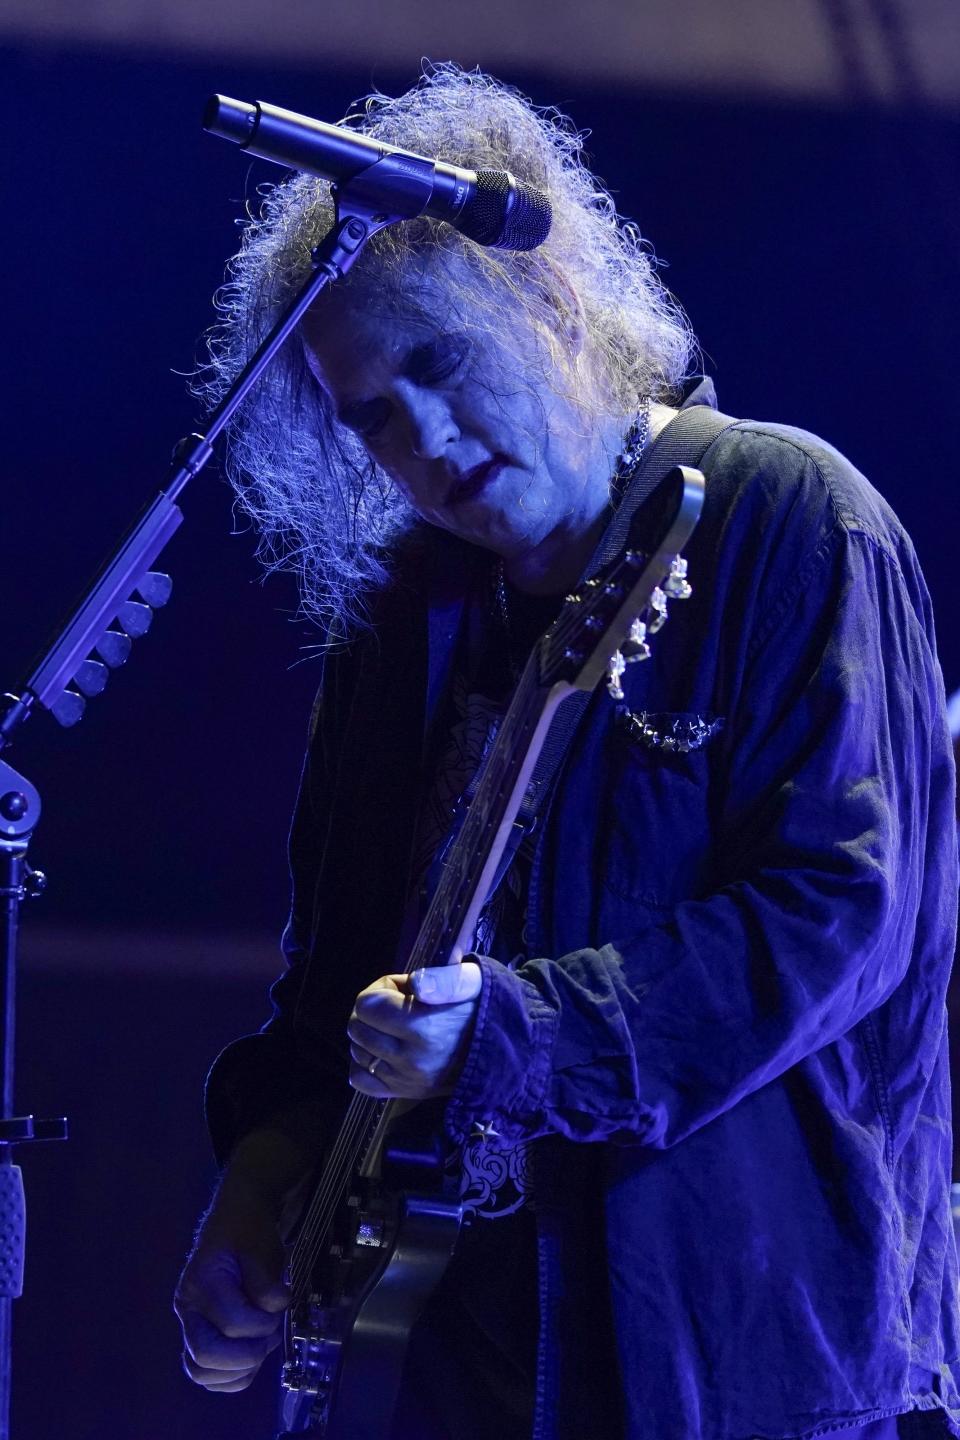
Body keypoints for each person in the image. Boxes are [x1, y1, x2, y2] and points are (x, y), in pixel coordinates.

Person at [173, 64, 960, 1440]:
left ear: (545, 300)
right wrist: (266, 1166)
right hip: (452, 1358)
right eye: (369, 414)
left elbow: (838, 918)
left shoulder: (785, 519)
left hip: (740, 1362)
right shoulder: (402, 615)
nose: (415, 439)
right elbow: (336, 984)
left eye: (437, 363)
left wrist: (519, 1031)